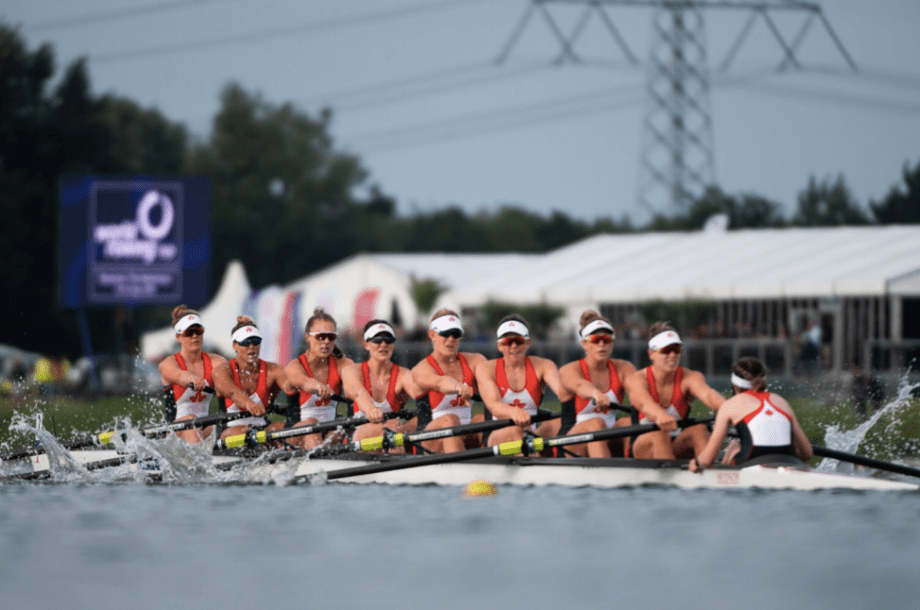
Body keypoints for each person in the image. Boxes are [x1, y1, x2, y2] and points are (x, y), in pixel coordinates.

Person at [689, 357, 813, 471]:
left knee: (733, 448)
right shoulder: (781, 402)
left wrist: (696, 462)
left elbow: (707, 460)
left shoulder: (731, 405)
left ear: (735, 386)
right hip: (791, 462)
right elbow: (807, 453)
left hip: (749, 463)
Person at [624, 321, 725, 460]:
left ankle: (709, 475)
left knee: (699, 429)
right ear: (651, 353)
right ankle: (669, 481)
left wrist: (730, 409)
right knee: (660, 433)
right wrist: (660, 415)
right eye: (666, 350)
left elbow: (709, 396)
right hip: (643, 448)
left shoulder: (691, 377)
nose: (672, 355)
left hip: (676, 445)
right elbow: (644, 403)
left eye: (676, 349)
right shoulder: (636, 379)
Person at [475, 315, 564, 448]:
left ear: (528, 343)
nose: (514, 346)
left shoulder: (544, 365)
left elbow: (563, 392)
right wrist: (515, 412)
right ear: (499, 345)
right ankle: (535, 460)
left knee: (560, 422)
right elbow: (494, 405)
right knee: (517, 430)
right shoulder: (486, 368)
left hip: (531, 433)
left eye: (519, 340)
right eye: (508, 342)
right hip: (497, 436)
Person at [558, 311, 636, 458]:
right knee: (596, 423)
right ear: (584, 343)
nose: (602, 344)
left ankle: (635, 472)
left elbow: (639, 393)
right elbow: (580, 386)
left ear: (612, 343)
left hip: (609, 435)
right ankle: (606, 476)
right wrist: (595, 393)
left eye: (606, 339)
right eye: (596, 340)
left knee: (628, 422)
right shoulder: (569, 370)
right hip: (573, 443)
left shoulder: (625, 368)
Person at [411, 309, 487, 453]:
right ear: (432, 334)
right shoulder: (421, 369)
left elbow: (493, 382)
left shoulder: (476, 360)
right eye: (445, 333)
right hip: (429, 440)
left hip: (463, 433)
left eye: (455, 334)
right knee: (450, 420)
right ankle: (459, 472)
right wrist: (459, 387)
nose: (451, 338)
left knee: (483, 419)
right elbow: (441, 382)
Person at [341, 319, 423, 451]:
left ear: (393, 345)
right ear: (366, 344)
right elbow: (357, 392)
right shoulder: (352, 370)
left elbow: (420, 392)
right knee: (392, 425)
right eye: (377, 340)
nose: (383, 344)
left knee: (426, 418)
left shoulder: (403, 374)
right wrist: (370, 410)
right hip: (359, 436)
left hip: (393, 433)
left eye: (388, 340)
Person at [284, 308, 356, 449]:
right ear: (307, 337)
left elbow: (354, 386)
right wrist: (318, 386)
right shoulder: (294, 366)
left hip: (330, 430)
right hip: (294, 434)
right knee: (312, 425)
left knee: (342, 429)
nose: (326, 341)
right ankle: (321, 462)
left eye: (331, 337)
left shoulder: (344, 364)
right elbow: (304, 382)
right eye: (320, 337)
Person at [212, 317, 293, 441]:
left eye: (255, 341)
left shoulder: (274, 371)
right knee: (248, 431)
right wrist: (248, 403)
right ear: (235, 345)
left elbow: (296, 385)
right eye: (245, 342)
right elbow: (233, 392)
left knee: (288, 428)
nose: (251, 346)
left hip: (262, 429)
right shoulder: (222, 370)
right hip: (229, 432)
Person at [158, 306, 227, 443]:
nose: (195, 336)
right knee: (191, 421)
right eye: (189, 332)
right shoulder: (168, 364)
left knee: (229, 428)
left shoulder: (218, 362)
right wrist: (192, 379)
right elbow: (179, 375)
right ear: (179, 336)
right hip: (174, 431)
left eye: (198, 331)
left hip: (204, 426)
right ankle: (198, 461)